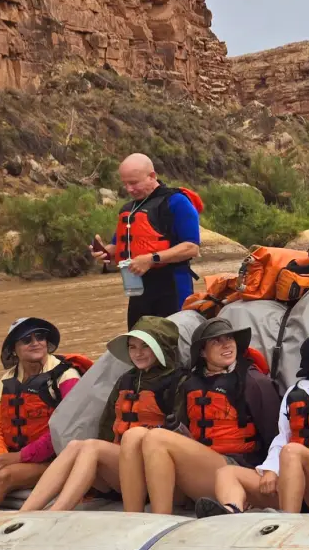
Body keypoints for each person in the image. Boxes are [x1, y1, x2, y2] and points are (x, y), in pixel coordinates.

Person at [198, 332, 309, 516]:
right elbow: (283, 437)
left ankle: (289, 522)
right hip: (296, 482)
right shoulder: (294, 393)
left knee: (293, 451)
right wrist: (270, 469)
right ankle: (230, 513)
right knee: (227, 472)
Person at [119, 319, 281, 514]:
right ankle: (132, 516)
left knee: (156, 438)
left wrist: (271, 474)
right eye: (216, 341)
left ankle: (159, 518)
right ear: (203, 352)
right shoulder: (190, 384)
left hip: (238, 470)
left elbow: (276, 436)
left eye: (229, 338)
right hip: (201, 468)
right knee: (133, 435)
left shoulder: (255, 382)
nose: (227, 344)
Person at [21, 317, 183, 512]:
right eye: (132, 347)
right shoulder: (126, 380)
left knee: (92, 448)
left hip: (151, 473)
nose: (137, 353)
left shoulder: (177, 381)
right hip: (119, 468)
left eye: (145, 347)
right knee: (75, 446)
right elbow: (107, 426)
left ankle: (55, 512)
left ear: (161, 347)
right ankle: (26, 512)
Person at [92, 154, 203, 328]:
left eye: (134, 183)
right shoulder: (129, 209)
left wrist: (151, 259)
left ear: (152, 176)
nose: (129, 189)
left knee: (174, 342)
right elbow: (117, 247)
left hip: (172, 288)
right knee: (138, 345)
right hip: (138, 291)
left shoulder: (177, 202)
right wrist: (103, 252)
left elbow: (192, 248)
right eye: (125, 183)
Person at [0, 319, 85, 506]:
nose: (36, 342)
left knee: (1, 477)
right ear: (14, 349)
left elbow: (67, 429)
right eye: (27, 339)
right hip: (17, 458)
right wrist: (1, 457)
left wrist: (19, 458)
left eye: (41, 337)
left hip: (56, 460)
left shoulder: (66, 376)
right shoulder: (5, 382)